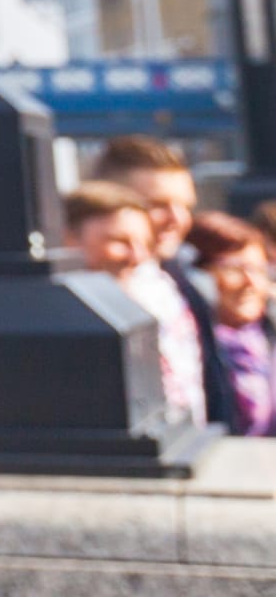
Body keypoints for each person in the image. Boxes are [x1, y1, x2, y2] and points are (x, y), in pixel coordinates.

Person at [93, 136, 233, 425]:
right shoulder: (89, 296)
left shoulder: (181, 284)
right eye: (157, 205)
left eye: (186, 206)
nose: (177, 219)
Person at [66, 180, 206, 427]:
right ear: (68, 240)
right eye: (119, 242)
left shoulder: (162, 291)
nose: (137, 256)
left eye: (144, 243)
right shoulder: (59, 320)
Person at [191, 214, 276, 437]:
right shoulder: (189, 348)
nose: (251, 283)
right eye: (234, 269)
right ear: (198, 276)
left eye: (259, 269)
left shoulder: (268, 333)